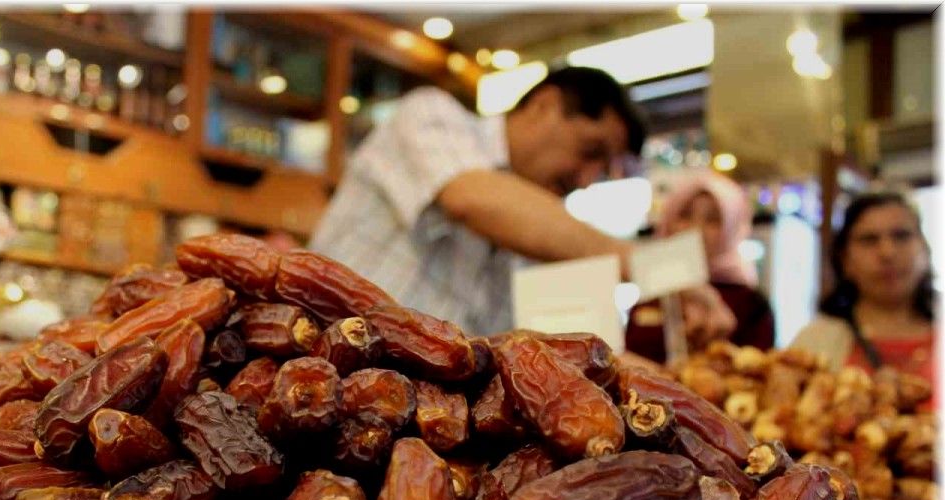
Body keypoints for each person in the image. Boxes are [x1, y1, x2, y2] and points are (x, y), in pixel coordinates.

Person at [310, 66, 736, 341]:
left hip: (413, 429)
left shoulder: (542, 230)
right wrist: (656, 268)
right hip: (313, 374)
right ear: (544, 106)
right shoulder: (433, 115)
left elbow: (544, 351)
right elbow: (471, 198)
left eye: (603, 170)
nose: (586, 180)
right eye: (590, 151)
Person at [625, 172, 776, 364]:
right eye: (685, 215)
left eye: (712, 220)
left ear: (731, 229)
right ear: (668, 221)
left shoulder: (750, 305)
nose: (695, 229)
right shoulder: (650, 297)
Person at [790, 192, 934, 382]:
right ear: (844, 259)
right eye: (869, 240)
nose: (887, 253)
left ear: (924, 249)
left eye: (901, 236)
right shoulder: (813, 343)